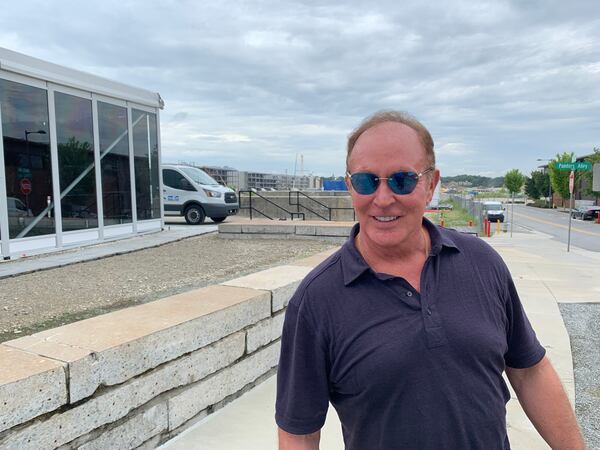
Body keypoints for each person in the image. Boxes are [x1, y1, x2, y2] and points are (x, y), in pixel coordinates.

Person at [275, 111, 585, 449]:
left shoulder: (482, 263)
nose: (382, 199)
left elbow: (530, 371)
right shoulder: (317, 301)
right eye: (366, 181)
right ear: (350, 186)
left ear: (431, 184)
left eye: (401, 180)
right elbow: (299, 432)